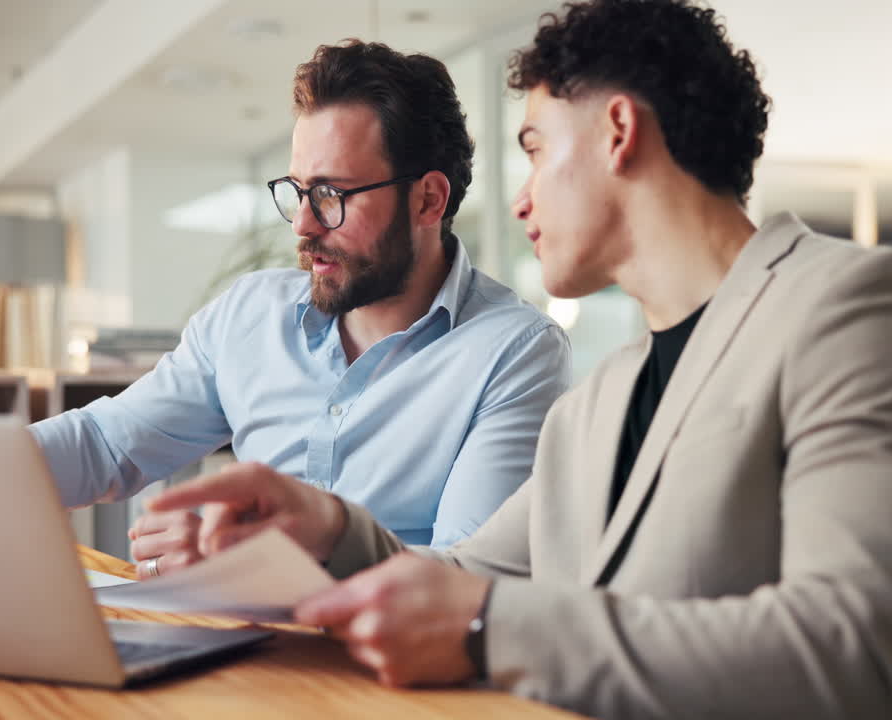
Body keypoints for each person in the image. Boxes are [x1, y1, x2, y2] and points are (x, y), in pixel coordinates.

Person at [147, 1, 892, 718]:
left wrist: (489, 629)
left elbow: (856, 658)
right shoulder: (602, 397)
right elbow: (468, 576)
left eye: (537, 149)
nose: (521, 199)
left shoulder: (861, 307)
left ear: (619, 131)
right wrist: (327, 529)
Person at [31, 40, 571, 577]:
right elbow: (106, 445)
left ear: (428, 199)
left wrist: (251, 559)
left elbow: (471, 578)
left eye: (332, 194)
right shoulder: (248, 315)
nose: (303, 224)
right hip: (226, 626)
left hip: (377, 636)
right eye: (298, 190)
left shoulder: (515, 352)